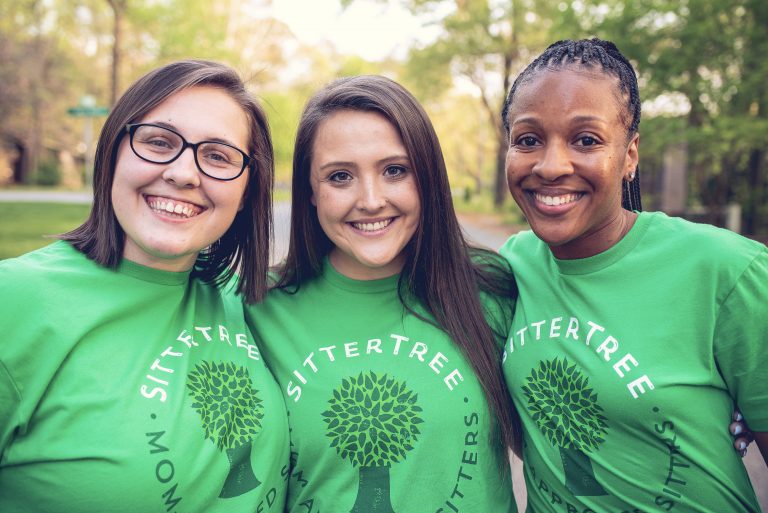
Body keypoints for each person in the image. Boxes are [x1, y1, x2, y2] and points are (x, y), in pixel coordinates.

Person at [0, 60, 289, 512]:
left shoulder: (248, 301)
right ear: (114, 153)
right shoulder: (14, 301)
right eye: (158, 142)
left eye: (217, 155)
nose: (183, 173)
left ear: (248, 191)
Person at [499, 38, 767, 512]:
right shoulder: (510, 269)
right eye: (528, 139)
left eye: (586, 140)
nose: (551, 165)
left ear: (630, 155)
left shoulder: (725, 269)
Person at [246, 75, 521, 512]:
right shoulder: (259, 308)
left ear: (426, 177)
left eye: (395, 170)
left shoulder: (493, 287)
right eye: (340, 176)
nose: (371, 200)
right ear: (311, 193)